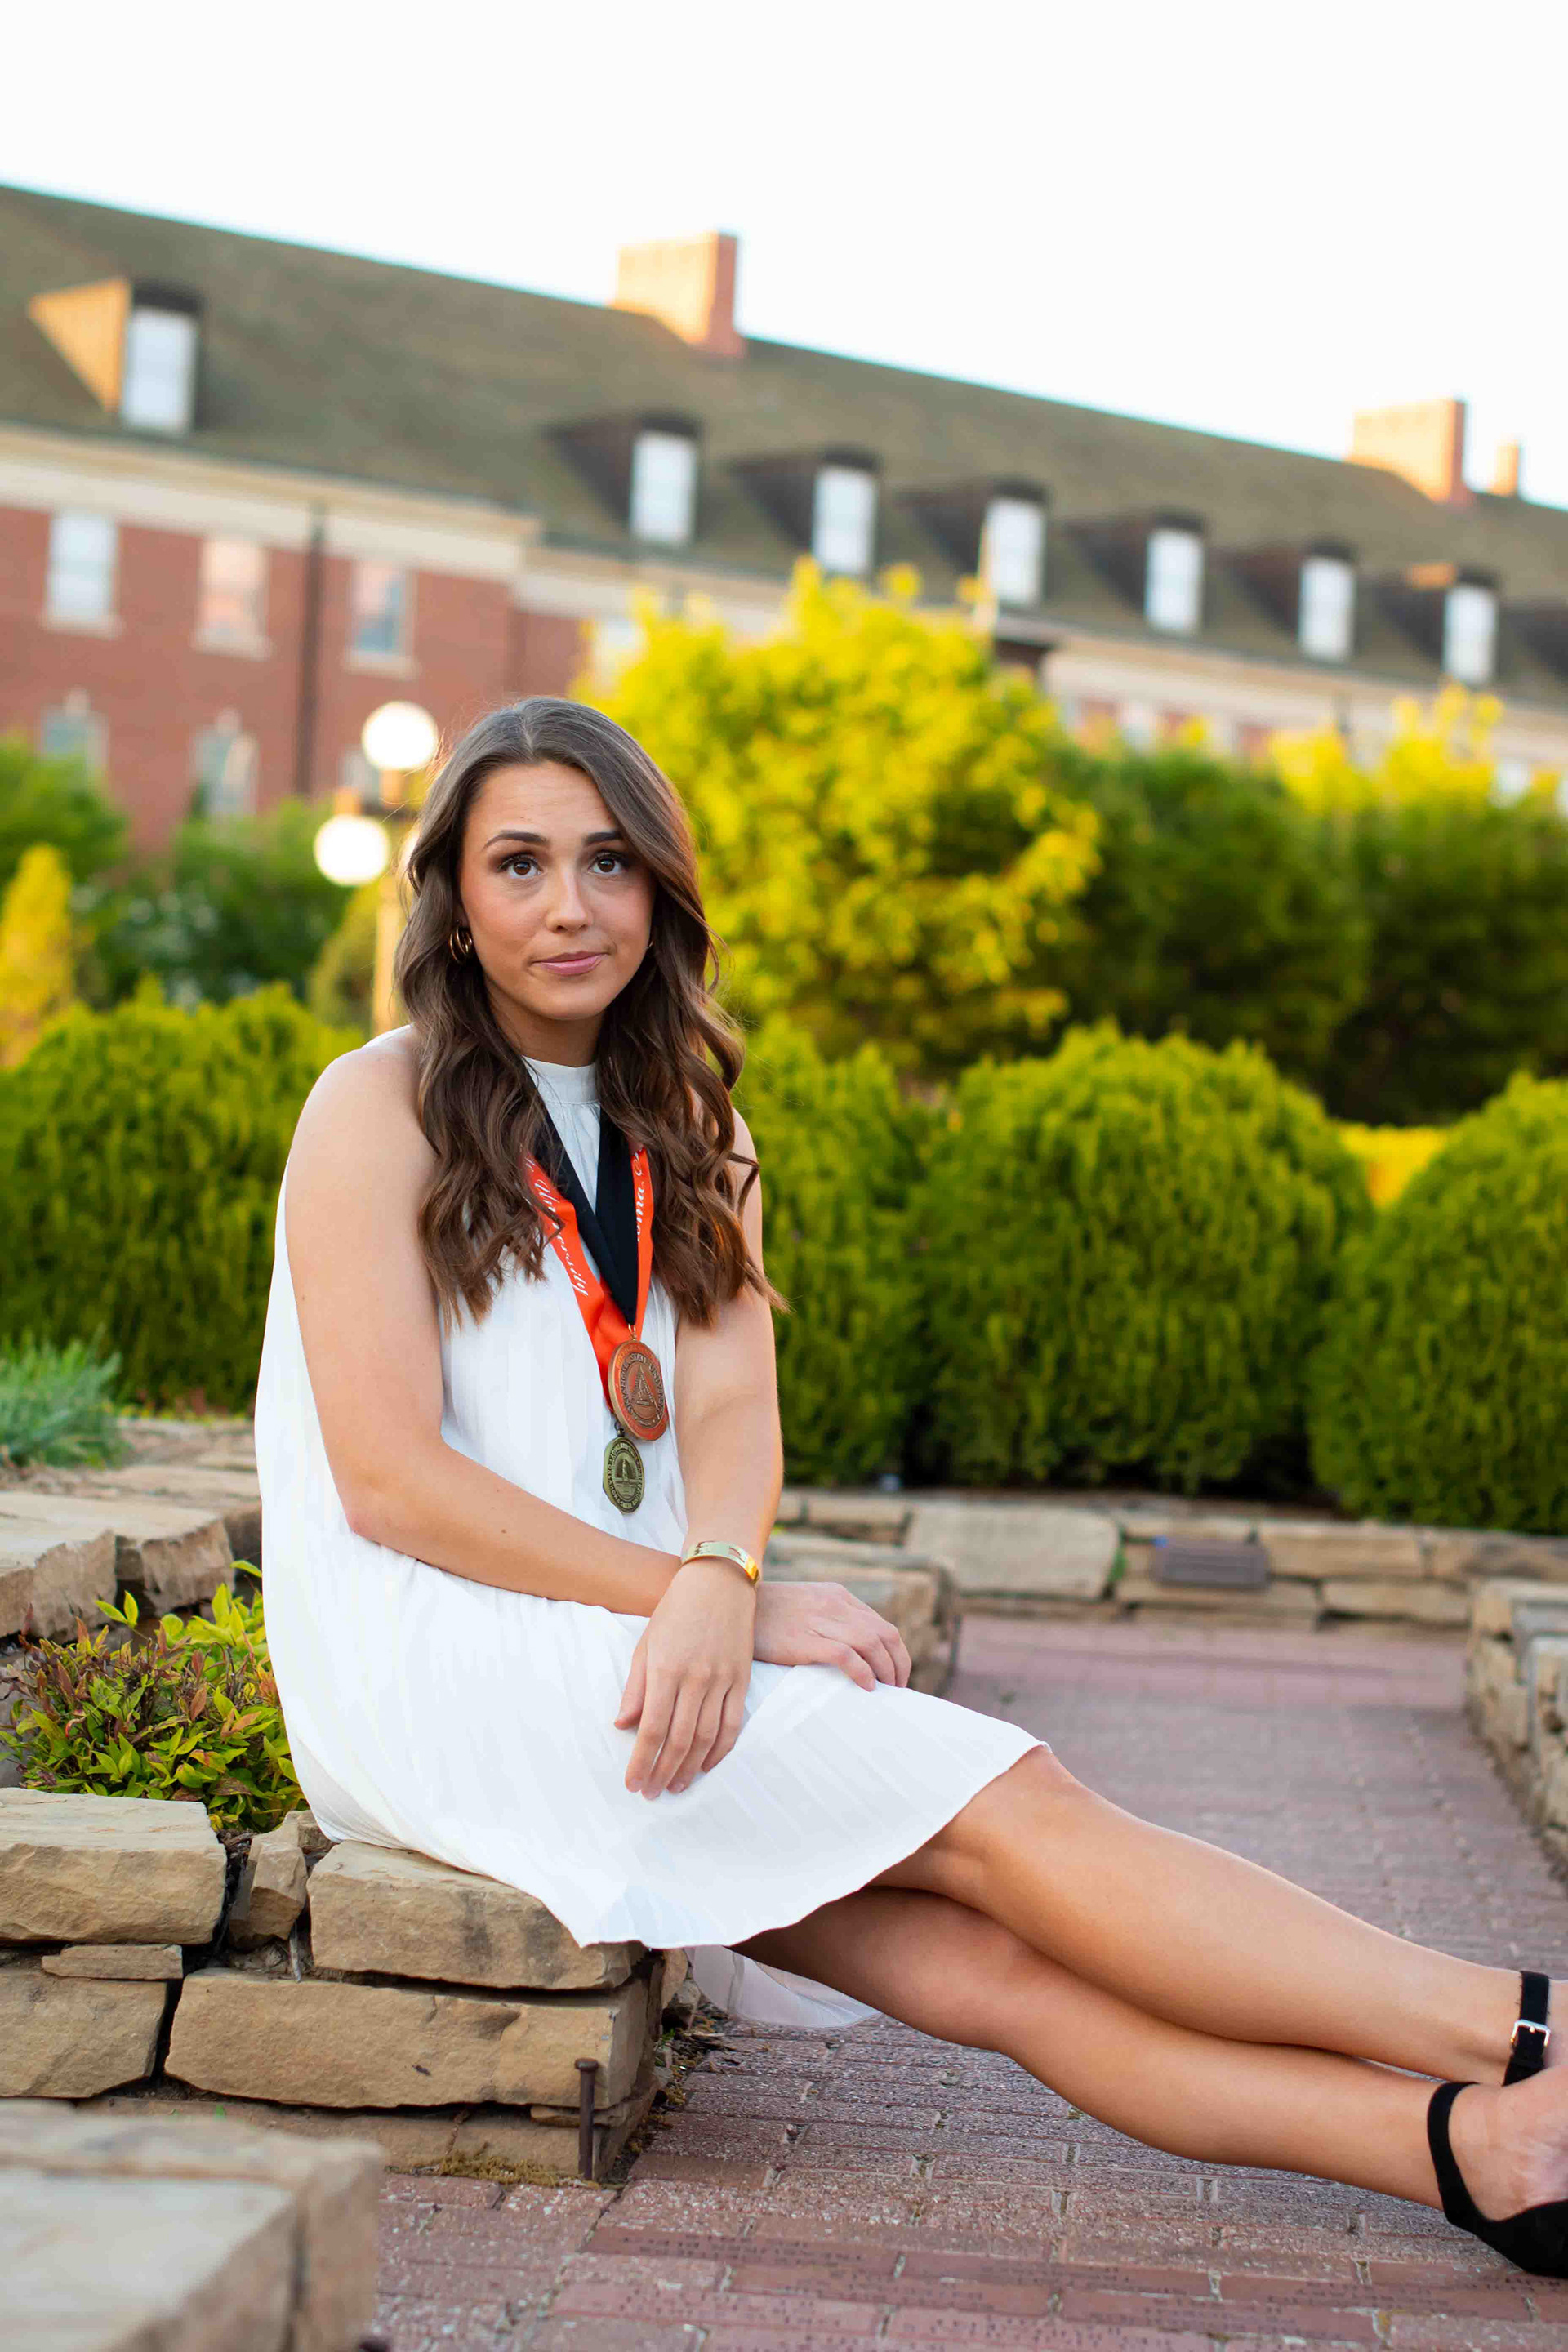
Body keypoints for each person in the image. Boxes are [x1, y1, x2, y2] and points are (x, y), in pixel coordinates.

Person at [258, 697, 1568, 2275]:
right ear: (455, 902)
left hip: (623, 1637)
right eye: (518, 863)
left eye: (608, 862)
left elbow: (730, 1407)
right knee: (1012, 1811)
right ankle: (1529, 2030)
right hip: (440, 1659)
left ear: (659, 889)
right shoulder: (377, 1103)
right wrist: (701, 1599)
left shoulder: (693, 1121)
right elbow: (389, 1481)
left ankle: (1484, 2155)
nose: (569, 905)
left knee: (988, 1969)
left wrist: (724, 1573)